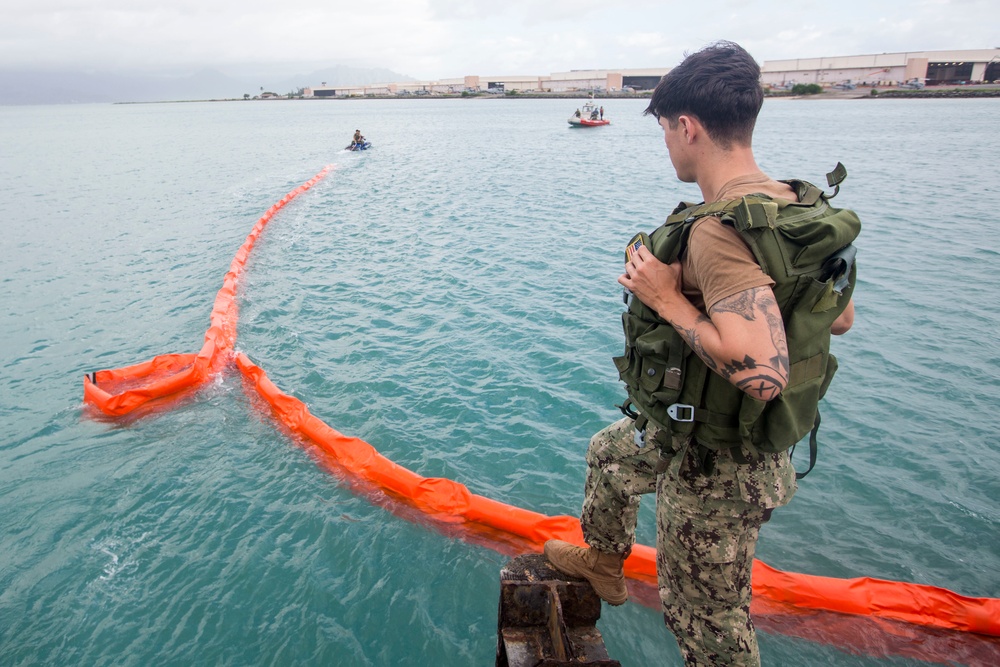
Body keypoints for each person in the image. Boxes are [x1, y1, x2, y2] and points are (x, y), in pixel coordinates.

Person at [544, 41, 858, 666]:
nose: (666, 143)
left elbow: (763, 375)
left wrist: (669, 300)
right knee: (610, 453)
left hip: (723, 466)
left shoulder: (720, 231)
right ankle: (606, 562)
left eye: (664, 129)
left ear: (687, 127)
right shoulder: (794, 209)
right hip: (708, 433)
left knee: (704, 613)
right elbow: (841, 318)